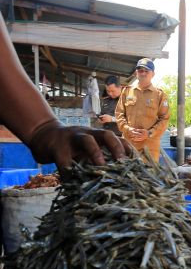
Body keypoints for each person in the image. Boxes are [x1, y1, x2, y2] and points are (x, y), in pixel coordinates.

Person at [0, 13, 128, 168]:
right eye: (108, 91)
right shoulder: (106, 101)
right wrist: (45, 130)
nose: (110, 94)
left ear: (120, 87)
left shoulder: (129, 99)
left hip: (124, 141)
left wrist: (44, 129)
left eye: (112, 91)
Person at [115, 58, 170, 162]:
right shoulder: (126, 92)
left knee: (149, 176)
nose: (143, 73)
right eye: (140, 70)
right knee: (127, 176)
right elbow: (119, 114)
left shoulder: (160, 95)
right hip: (128, 145)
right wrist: (127, 129)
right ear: (136, 73)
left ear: (153, 74)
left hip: (149, 148)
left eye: (147, 71)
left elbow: (164, 119)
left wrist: (149, 133)